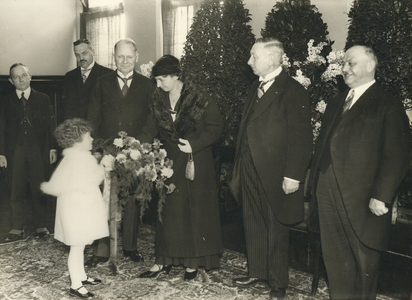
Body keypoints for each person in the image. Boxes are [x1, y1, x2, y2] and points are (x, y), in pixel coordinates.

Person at [309, 45, 410, 300]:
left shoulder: (387, 103)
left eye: (350, 63)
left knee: (364, 262)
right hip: (327, 189)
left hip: (364, 197)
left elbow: (397, 155)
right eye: (343, 63)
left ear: (370, 65)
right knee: (335, 258)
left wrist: (382, 195)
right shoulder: (337, 100)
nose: (344, 68)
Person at [228, 38, 312, 299]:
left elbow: (302, 138)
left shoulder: (293, 90)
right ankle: (257, 272)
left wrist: (293, 175)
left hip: (277, 173)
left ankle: (277, 282)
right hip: (249, 167)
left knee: (276, 228)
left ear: (273, 59)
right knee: (252, 222)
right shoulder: (256, 86)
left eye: (254, 56)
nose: (249, 61)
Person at [137, 55, 224, 280]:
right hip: (170, 163)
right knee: (168, 213)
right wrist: (137, 148)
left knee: (192, 214)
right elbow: (150, 128)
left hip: (197, 163)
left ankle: (191, 263)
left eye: (162, 79)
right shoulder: (159, 97)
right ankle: (163, 261)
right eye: (156, 80)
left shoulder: (199, 97)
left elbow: (216, 128)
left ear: (175, 76)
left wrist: (194, 144)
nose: (158, 85)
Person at [86, 38, 155, 267]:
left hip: (136, 154)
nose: (124, 61)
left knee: (133, 201)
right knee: (104, 200)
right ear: (114, 57)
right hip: (107, 152)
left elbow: (151, 120)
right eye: (120, 57)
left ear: (136, 57)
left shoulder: (148, 85)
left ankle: (130, 247)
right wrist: (96, 149)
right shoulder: (101, 83)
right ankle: (102, 249)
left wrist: (139, 146)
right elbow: (93, 118)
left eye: (129, 57)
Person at [41, 118, 109, 299]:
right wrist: (102, 169)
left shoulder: (78, 157)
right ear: (78, 141)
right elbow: (88, 184)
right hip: (76, 210)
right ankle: (75, 285)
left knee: (81, 245)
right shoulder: (76, 160)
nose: (92, 140)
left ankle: (82, 276)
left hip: (80, 208)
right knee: (77, 247)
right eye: (88, 137)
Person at [0, 63, 58, 243]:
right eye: (16, 77)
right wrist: (1, 153)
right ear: (10, 81)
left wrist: (52, 148)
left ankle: (40, 226)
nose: (21, 80)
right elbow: (1, 128)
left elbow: (50, 126)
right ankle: (17, 228)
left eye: (24, 75)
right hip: (14, 151)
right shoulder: (6, 100)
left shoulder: (43, 98)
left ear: (30, 76)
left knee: (38, 187)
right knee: (15, 188)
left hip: (37, 150)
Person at [60, 39, 112, 122]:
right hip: (76, 128)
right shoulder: (69, 76)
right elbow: (66, 108)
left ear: (93, 51)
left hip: (98, 129)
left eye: (84, 53)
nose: (81, 58)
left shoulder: (108, 74)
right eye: (77, 55)